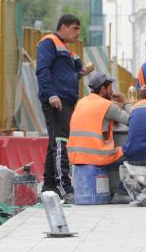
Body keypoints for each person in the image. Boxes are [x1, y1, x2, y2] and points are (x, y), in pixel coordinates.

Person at [36, 14, 93, 201]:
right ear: (63, 27)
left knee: (55, 143)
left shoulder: (66, 50)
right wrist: (51, 94)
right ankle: (63, 187)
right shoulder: (49, 42)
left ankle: (48, 186)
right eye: (75, 28)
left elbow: (70, 75)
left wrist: (82, 72)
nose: (78, 33)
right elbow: (42, 70)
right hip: (56, 101)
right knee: (61, 143)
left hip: (65, 100)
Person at [67, 72, 132, 204]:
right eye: (110, 88)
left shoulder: (81, 102)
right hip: (95, 155)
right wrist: (125, 101)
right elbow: (133, 120)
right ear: (103, 89)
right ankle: (121, 192)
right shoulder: (107, 106)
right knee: (131, 151)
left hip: (75, 156)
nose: (112, 91)